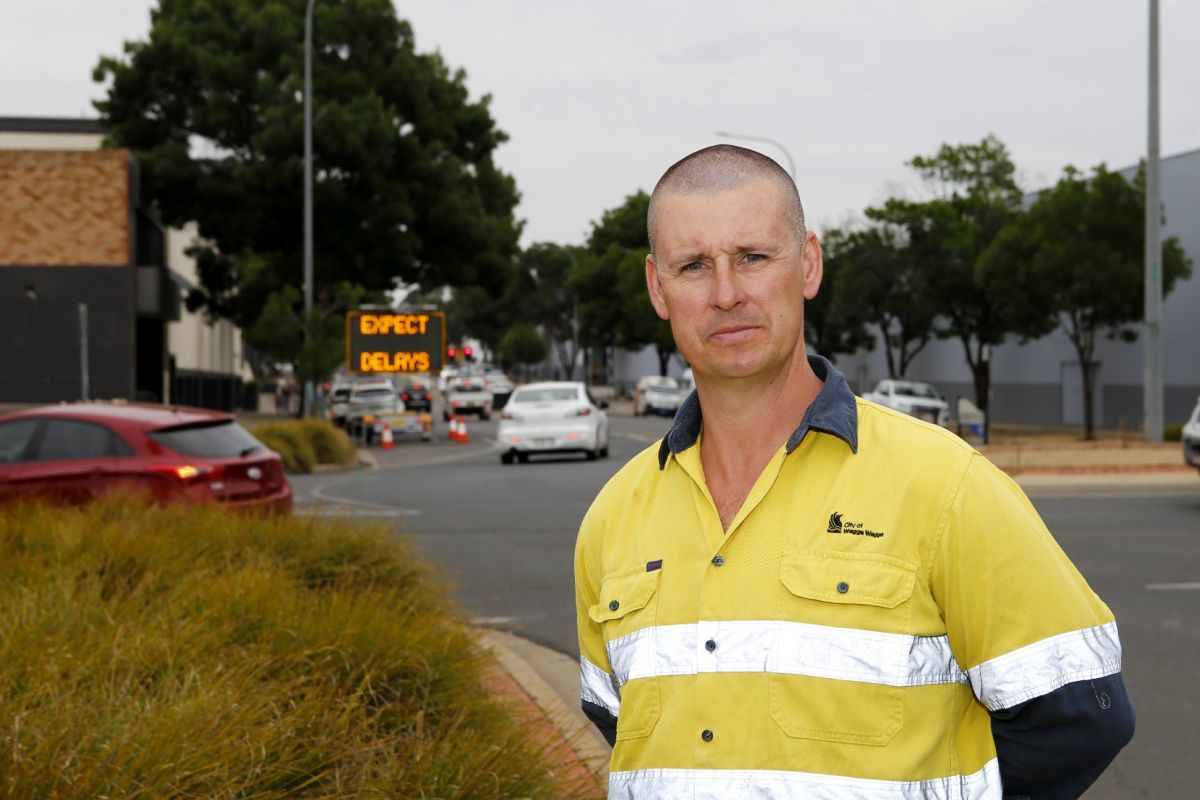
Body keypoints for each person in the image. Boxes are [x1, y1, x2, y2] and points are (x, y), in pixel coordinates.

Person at [574, 144, 1133, 799]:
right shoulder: (613, 518)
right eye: (693, 265)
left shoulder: (944, 486)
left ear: (808, 263)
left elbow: (1080, 719)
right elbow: (626, 727)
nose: (727, 294)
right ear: (656, 287)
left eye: (753, 257)